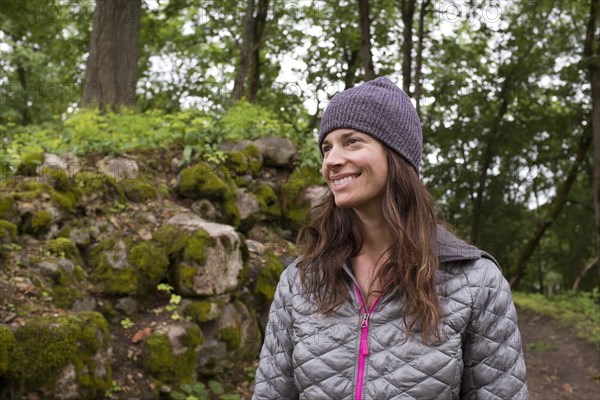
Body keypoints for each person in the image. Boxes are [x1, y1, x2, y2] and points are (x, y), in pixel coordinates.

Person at [253, 77, 528, 399]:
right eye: (327, 148)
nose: (331, 161)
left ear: (397, 155)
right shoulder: (301, 280)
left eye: (352, 141)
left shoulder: (475, 282)